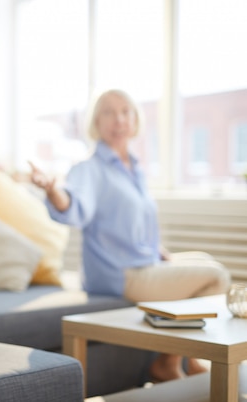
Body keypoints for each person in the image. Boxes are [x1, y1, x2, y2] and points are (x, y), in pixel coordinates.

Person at [29, 88, 230, 382]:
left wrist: (160, 253)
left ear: (135, 120)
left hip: (143, 262)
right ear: (96, 123)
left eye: (125, 112)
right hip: (118, 273)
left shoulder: (133, 168)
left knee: (203, 260)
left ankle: (185, 360)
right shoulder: (90, 168)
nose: (118, 119)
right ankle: (170, 362)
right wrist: (52, 190)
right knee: (216, 276)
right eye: (108, 112)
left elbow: (133, 222)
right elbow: (74, 205)